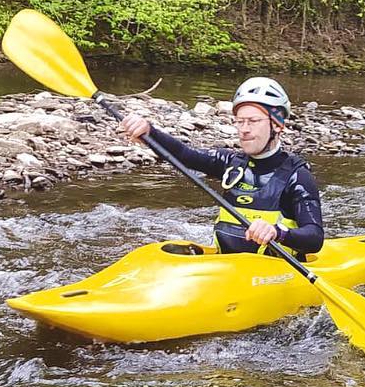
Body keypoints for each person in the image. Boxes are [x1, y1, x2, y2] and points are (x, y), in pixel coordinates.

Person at [118, 77, 325, 258]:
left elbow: (314, 238)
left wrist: (277, 232)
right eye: (239, 121)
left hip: (273, 272)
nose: (244, 129)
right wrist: (149, 132)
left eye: (253, 121)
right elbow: (185, 155)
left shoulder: (297, 176)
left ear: (277, 125)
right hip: (225, 265)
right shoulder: (231, 164)